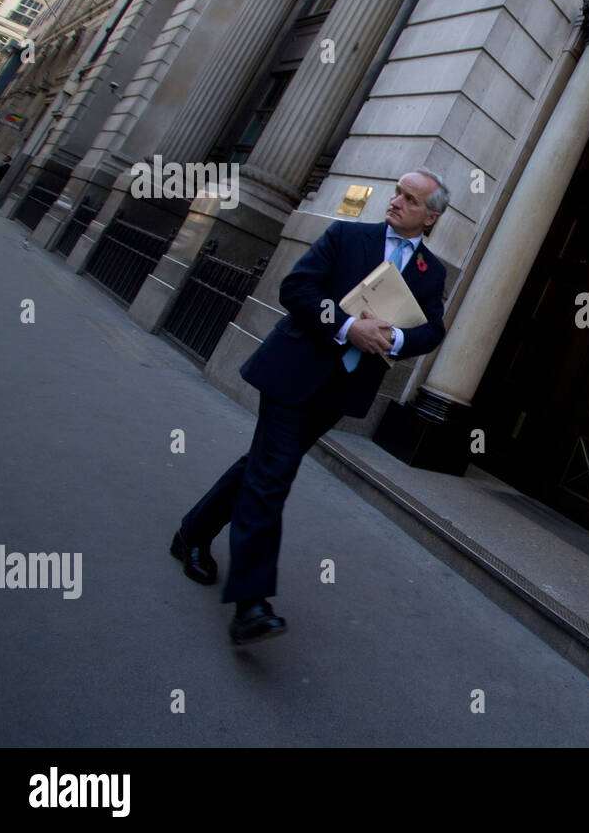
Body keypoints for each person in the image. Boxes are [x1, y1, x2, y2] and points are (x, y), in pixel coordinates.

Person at [170, 169, 450, 644]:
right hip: (293, 370)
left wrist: (398, 337)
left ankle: (192, 534)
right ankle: (251, 604)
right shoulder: (347, 235)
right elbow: (297, 289)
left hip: (340, 391)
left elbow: (432, 330)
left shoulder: (431, 271)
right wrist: (346, 327)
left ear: (431, 217)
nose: (397, 201)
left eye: (410, 198)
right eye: (398, 193)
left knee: (260, 467)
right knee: (273, 476)